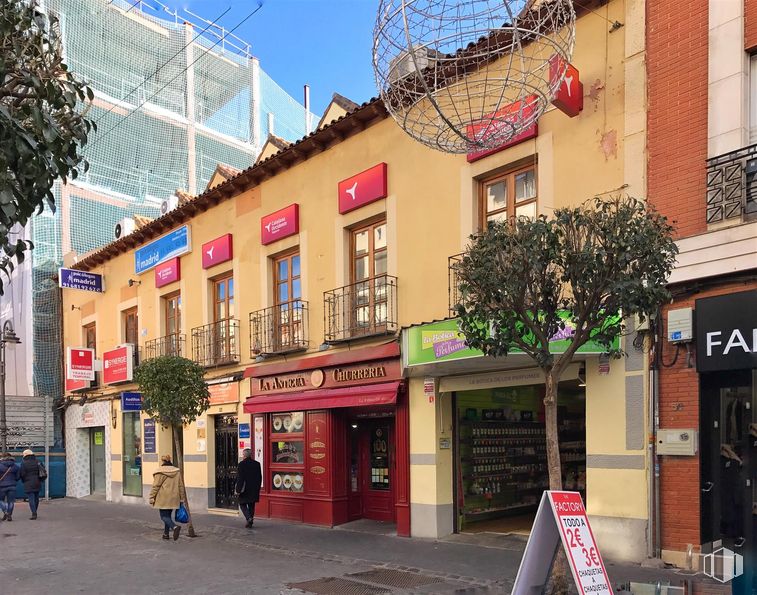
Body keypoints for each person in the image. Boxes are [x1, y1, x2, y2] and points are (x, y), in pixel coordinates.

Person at [148, 455, 186, 541]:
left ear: (162, 461)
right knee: (168, 515)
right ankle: (166, 534)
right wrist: (181, 498)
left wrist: (151, 497)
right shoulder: (176, 471)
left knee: (164, 516)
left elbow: (156, 486)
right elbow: (180, 486)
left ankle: (174, 527)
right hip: (174, 497)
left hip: (163, 498)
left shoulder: (160, 472)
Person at [235, 448, 262, 529]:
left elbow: (240, 478)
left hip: (245, 489)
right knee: (251, 504)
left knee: (242, 503)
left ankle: (248, 518)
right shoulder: (257, 464)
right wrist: (258, 487)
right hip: (254, 488)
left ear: (244, 455)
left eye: (243, 455)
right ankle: (250, 522)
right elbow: (259, 477)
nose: (242, 456)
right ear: (250, 455)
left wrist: (238, 490)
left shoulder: (241, 464)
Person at [19, 449, 45, 520]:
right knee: (36, 498)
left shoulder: (24, 463)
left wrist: (24, 480)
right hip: (37, 481)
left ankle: (34, 513)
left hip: (28, 482)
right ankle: (35, 511)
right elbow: (43, 471)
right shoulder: (38, 461)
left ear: (26, 454)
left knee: (31, 498)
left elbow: (22, 474)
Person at [0, 452, 20, 522]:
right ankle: (9, 515)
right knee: (11, 502)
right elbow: (18, 477)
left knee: (1, 500)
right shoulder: (15, 466)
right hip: (12, 485)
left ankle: (5, 512)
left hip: (1, 486)